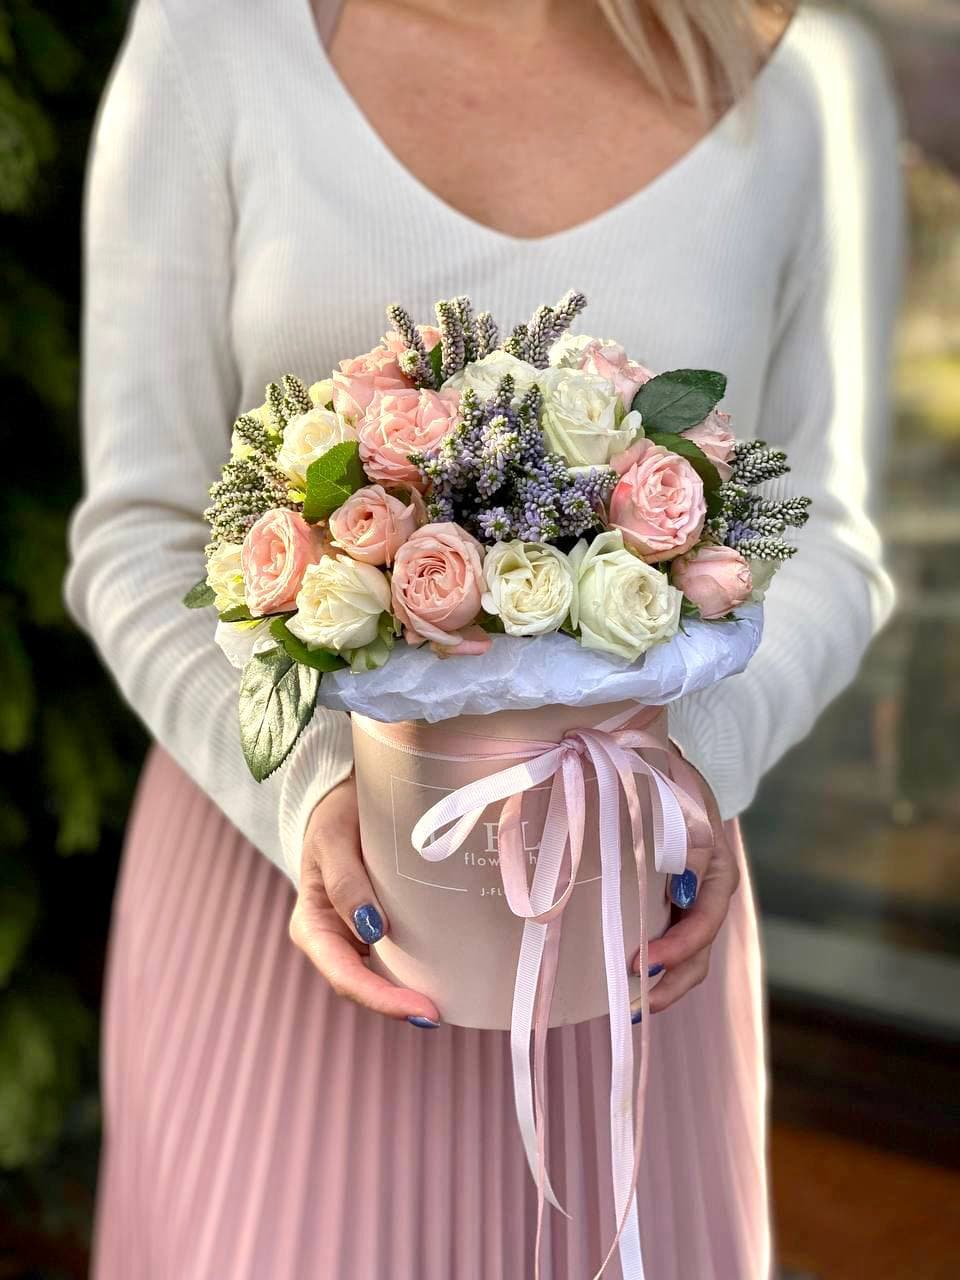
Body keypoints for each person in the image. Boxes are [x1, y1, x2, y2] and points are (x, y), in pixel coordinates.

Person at [66, 0, 903, 1275]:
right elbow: (137, 529)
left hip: (628, 924)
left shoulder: (806, 89)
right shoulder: (214, 43)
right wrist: (311, 790)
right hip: (278, 903)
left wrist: (696, 769)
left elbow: (832, 529)